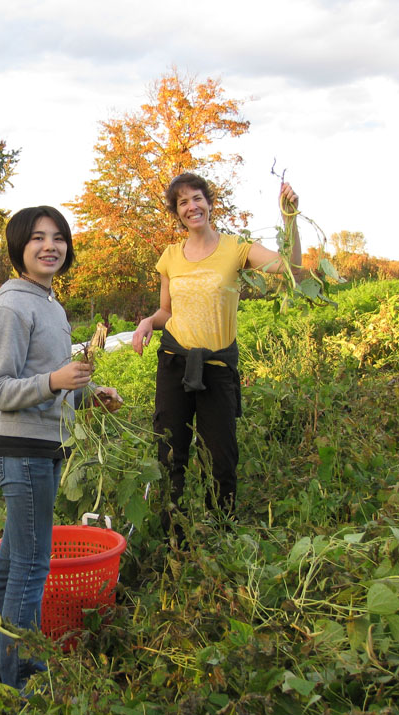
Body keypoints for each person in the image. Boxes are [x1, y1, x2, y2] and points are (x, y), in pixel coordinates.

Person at [0, 205, 121, 690]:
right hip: (22, 451)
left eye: (58, 237)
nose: (50, 246)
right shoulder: (12, 305)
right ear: (20, 247)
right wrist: (56, 379)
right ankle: (23, 679)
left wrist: (89, 395)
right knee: (32, 568)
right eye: (37, 238)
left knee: (12, 561)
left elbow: (54, 384)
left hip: (45, 447)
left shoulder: (50, 303)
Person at [131, 173, 300, 535]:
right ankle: (171, 534)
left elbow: (292, 270)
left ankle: (221, 533)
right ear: (177, 213)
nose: (192, 207)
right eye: (182, 203)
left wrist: (289, 219)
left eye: (197, 198)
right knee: (170, 452)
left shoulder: (236, 248)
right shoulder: (171, 257)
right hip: (174, 363)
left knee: (220, 457)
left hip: (218, 366)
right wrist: (147, 321)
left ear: (209, 202)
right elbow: (166, 312)